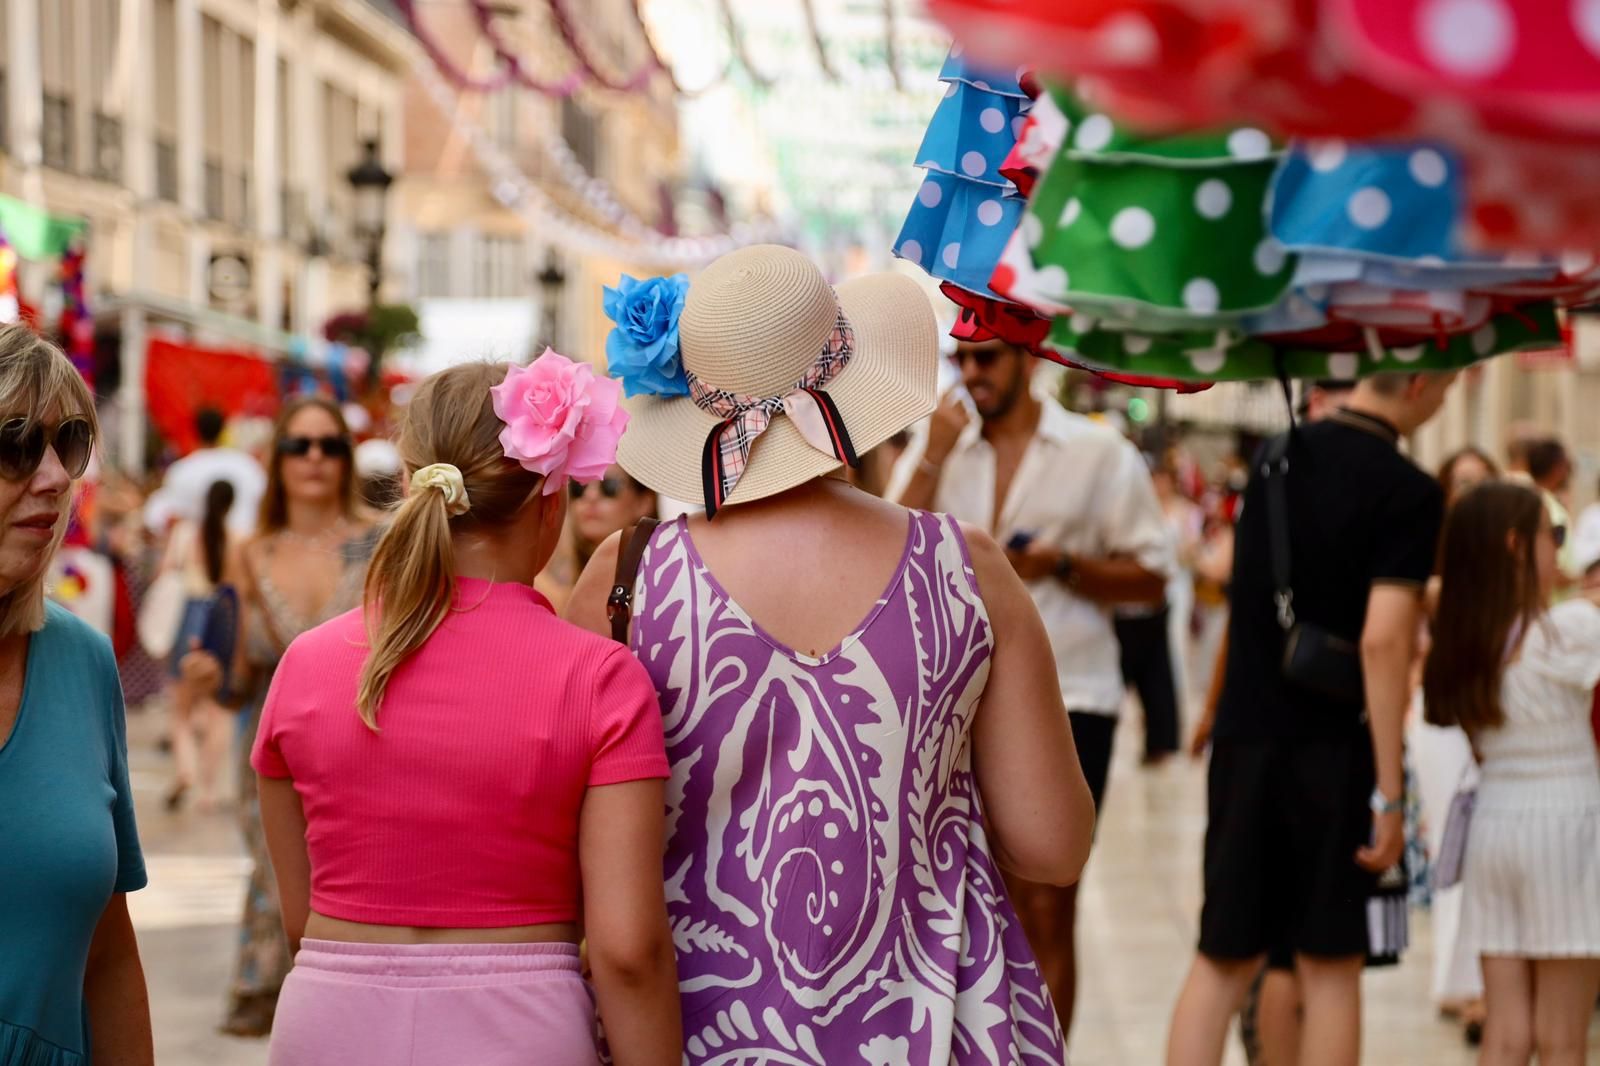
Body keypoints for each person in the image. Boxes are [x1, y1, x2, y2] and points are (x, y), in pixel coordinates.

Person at [566, 245, 1095, 1063]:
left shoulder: (626, 579)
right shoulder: (967, 569)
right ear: (854, 386)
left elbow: (567, 849)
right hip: (931, 1029)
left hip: (694, 1036)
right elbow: (1053, 845)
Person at [251, 359, 679, 1065]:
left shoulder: (304, 664)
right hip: (521, 1027)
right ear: (550, 501)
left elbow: (302, 920)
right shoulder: (599, 677)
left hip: (329, 1019)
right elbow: (627, 949)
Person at [1166, 370, 1457, 1066]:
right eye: (1447, 384)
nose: (1446, 398)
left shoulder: (1273, 456)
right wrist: (1390, 791)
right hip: (1333, 750)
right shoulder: (1409, 491)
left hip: (1247, 738)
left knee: (1223, 958)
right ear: (1418, 381)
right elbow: (1386, 643)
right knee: (1330, 966)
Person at [888, 332, 1169, 1038]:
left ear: (1027, 360)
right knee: (973, 898)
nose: (973, 373)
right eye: (963, 359)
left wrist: (1064, 566)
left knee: (1049, 899)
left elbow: (1154, 575)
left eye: (989, 358)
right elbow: (888, 538)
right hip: (959, 700)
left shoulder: (1097, 452)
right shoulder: (945, 449)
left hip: (1073, 693)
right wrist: (933, 452)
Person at [183, 395, 376, 1037]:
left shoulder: (380, 543)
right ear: (278, 460)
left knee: (354, 870)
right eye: (300, 445)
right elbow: (236, 677)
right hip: (270, 745)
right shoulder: (250, 552)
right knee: (276, 863)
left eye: (330, 445)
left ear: (347, 458)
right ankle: (279, 988)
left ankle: (341, 999)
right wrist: (210, 678)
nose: (315, 458)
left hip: (364, 742)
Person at [0, 324, 153, 1064]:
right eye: (17, 444)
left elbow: (108, 955)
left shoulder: (82, 663)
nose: (57, 478)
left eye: (71, 444)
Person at [1424, 481, 1600, 1066]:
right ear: (1516, 547)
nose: (1561, 550)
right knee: (1563, 1036)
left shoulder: (1466, 642)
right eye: (1552, 536)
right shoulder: (1568, 630)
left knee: (1505, 1031)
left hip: (1494, 825)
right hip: (1565, 826)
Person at [1411, 446, 1501, 1042]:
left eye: (1480, 482)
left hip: (1494, 712)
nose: (1469, 491)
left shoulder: (1510, 558)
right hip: (1440, 717)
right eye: (1460, 481)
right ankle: (1463, 982)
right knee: (1452, 845)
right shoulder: (1425, 555)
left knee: (1484, 846)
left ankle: (1477, 980)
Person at [155, 477, 237, 812]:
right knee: (219, 712)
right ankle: (208, 789)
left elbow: (165, 572)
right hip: (220, 620)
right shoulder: (235, 540)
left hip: (187, 618)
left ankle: (186, 770)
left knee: (181, 710)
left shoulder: (185, 532)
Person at [144, 405, 266, 536]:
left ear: (195, 431)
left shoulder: (182, 471)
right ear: (223, 429)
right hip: (244, 543)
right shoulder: (247, 466)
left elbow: (158, 516)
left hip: (201, 548)